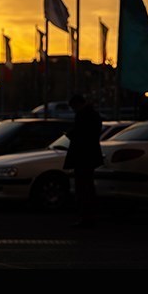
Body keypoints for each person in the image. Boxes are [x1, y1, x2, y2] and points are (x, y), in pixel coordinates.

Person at [63, 94, 103, 227]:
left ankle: (86, 217)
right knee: (87, 186)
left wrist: (72, 134)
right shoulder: (92, 115)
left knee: (83, 187)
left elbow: (83, 134)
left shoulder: (84, 115)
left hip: (83, 156)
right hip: (88, 156)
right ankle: (89, 216)